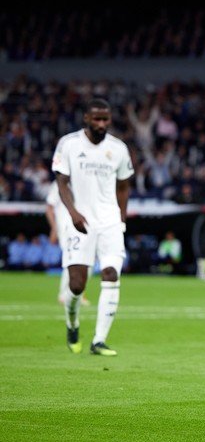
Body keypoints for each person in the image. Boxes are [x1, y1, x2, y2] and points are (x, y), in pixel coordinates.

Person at [52, 98, 134, 356]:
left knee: (111, 274)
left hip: (109, 221)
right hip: (80, 221)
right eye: (97, 118)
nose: (101, 124)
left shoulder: (118, 148)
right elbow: (62, 182)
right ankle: (72, 323)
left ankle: (99, 340)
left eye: (105, 119)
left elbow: (123, 185)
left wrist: (121, 218)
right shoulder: (69, 144)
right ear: (86, 118)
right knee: (76, 285)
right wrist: (73, 212)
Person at [46, 180, 90, 305]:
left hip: (84, 226)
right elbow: (49, 207)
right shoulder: (59, 184)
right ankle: (64, 294)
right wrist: (54, 228)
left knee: (87, 261)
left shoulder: (83, 180)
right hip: (65, 227)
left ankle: (78, 294)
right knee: (72, 259)